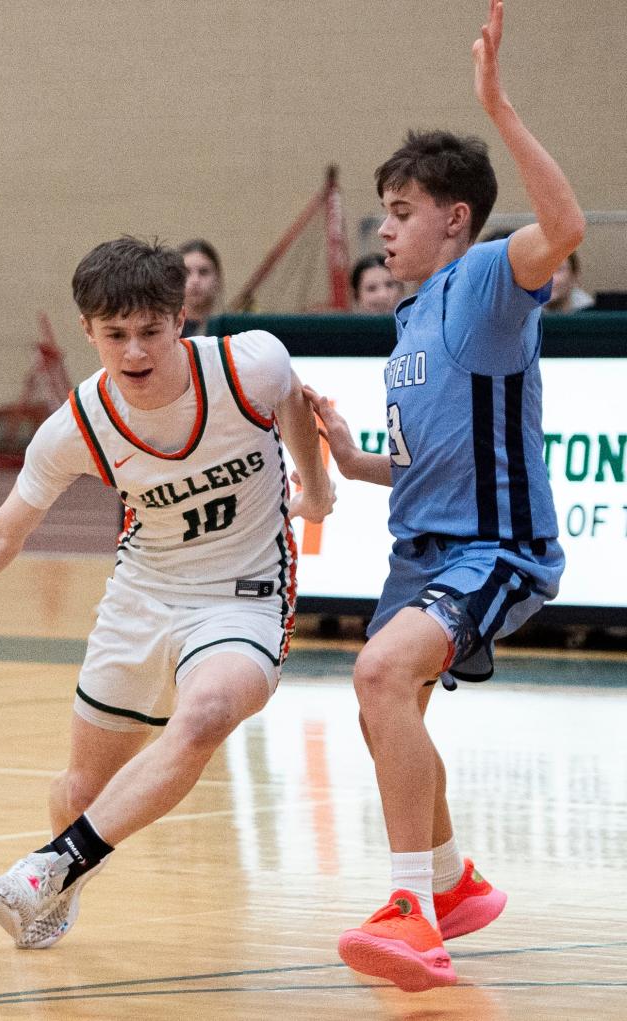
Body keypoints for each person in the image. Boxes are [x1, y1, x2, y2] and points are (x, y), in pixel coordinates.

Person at [0, 236, 334, 950]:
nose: (134, 352)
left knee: (206, 713)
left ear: (180, 318)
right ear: (87, 332)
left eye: (149, 332)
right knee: (80, 792)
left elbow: (292, 406)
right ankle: (63, 869)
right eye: (115, 335)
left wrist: (313, 490)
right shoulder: (78, 426)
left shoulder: (248, 365)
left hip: (242, 592)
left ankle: (52, 868)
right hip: (143, 593)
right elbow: (1, 535)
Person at [305, 1, 584, 992]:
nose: (384, 230)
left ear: (453, 218)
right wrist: (352, 459)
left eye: (401, 211)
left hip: (496, 551)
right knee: (389, 708)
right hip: (419, 552)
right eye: (383, 213)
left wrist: (498, 106)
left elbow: (567, 226)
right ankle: (455, 880)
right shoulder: (413, 320)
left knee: (380, 679)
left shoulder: (485, 282)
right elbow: (428, 459)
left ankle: (412, 912)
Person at [178, 238, 223, 336]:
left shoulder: (232, 334)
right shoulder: (166, 334)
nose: (195, 280)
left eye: (203, 272)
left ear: (217, 279)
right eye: (186, 272)